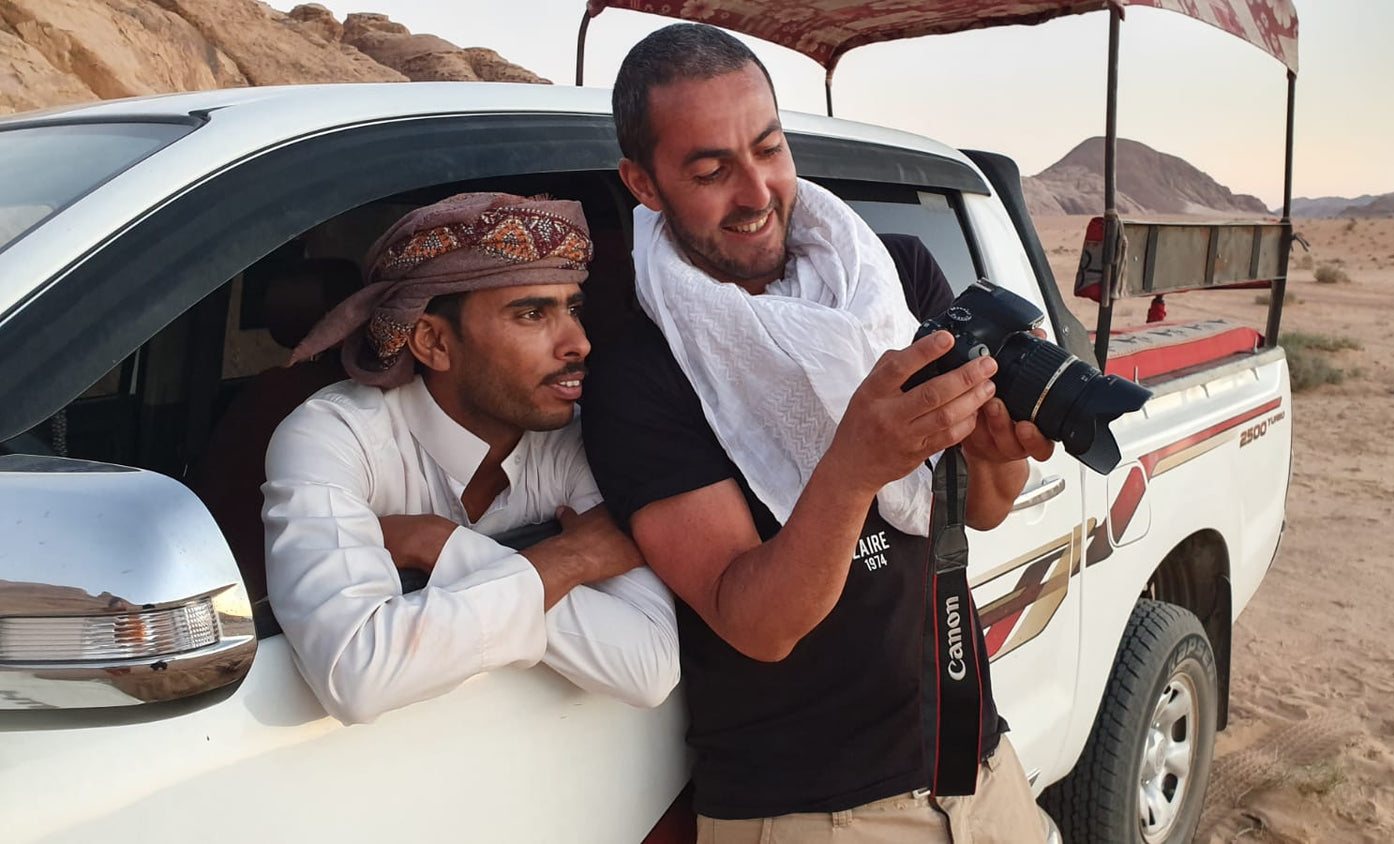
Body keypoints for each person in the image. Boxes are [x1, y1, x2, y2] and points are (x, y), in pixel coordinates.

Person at [581, 23, 1054, 844]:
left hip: (977, 764)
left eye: (768, 148)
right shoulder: (641, 370)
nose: (758, 191)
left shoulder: (893, 275)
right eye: (711, 170)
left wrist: (991, 450)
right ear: (643, 184)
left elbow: (979, 509)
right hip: (811, 812)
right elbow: (758, 622)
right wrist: (852, 465)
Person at [261, 192, 678, 726]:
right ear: (434, 342)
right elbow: (356, 673)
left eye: (573, 308)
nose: (579, 343)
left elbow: (649, 667)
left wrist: (444, 547)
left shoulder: (580, 439)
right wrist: (570, 560)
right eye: (532, 313)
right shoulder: (336, 436)